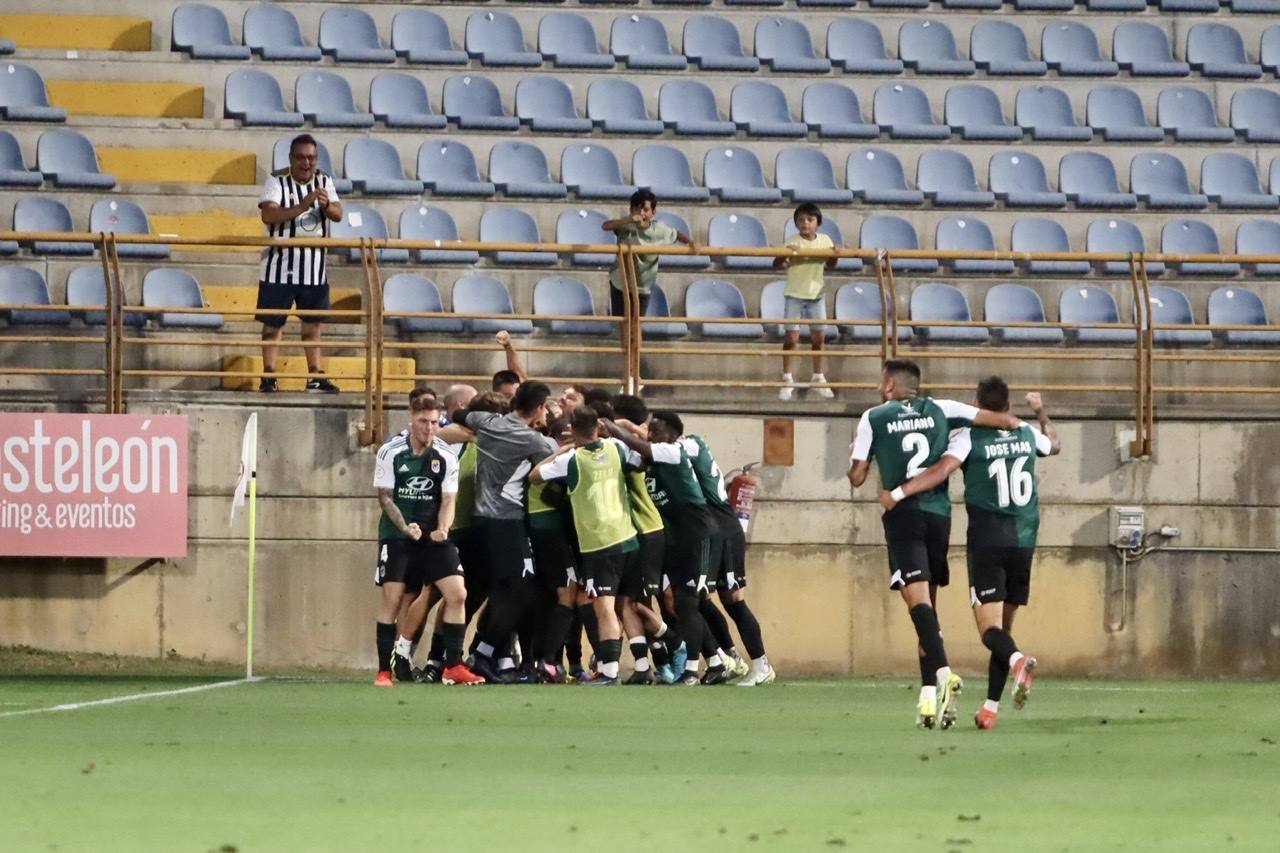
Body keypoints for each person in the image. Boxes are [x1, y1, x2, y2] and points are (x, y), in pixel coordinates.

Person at [847, 359, 1019, 729]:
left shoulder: (873, 417)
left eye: (882, 382)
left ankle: (942, 676)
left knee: (919, 605)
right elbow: (1001, 421)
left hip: (903, 514)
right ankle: (928, 699)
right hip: (939, 515)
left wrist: (861, 455)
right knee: (929, 612)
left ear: (891, 385)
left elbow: (857, 477)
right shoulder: (944, 409)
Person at [880, 380, 1060, 730]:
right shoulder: (1025, 431)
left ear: (977, 404)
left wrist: (899, 492)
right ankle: (990, 708)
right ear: (1008, 405)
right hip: (1025, 539)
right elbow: (1054, 444)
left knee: (990, 629)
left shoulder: (967, 437)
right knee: (1004, 629)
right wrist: (1039, 410)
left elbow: (941, 471)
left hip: (988, 539)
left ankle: (1019, 661)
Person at [438, 382, 554, 683]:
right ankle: (484, 654)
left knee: (501, 589)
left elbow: (461, 415)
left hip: (481, 521)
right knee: (522, 588)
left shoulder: (487, 422)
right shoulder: (533, 441)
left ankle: (485, 655)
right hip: (507, 521)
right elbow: (544, 473)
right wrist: (565, 448)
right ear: (540, 407)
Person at [605, 411, 726, 686]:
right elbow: (634, 459)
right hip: (679, 539)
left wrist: (612, 425)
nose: (650, 436)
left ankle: (693, 670)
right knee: (683, 604)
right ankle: (716, 662)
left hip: (700, 535)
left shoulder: (672, 452)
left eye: (656, 431)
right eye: (650, 432)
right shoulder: (653, 459)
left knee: (690, 602)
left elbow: (641, 447)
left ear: (672, 435)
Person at [372, 395, 483, 687]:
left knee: (457, 593)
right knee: (393, 598)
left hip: (433, 534)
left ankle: (453, 666)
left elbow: (449, 499)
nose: (429, 428)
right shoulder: (391, 451)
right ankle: (385, 670)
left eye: (434, 422)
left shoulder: (446, 454)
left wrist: (444, 528)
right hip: (397, 534)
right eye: (423, 422)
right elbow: (385, 497)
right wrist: (404, 526)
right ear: (411, 418)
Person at [530, 407, 641, 686]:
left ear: (574, 431)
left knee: (603, 607)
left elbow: (535, 475)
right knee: (619, 606)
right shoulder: (616, 447)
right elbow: (641, 461)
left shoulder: (572, 459)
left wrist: (561, 449)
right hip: (627, 536)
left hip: (599, 543)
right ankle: (631, 665)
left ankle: (609, 672)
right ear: (598, 427)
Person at [684, 431, 775, 687]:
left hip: (723, 529)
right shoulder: (686, 449)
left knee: (734, 600)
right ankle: (731, 658)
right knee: (700, 597)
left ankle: (761, 665)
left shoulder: (688, 446)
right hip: (711, 530)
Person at [255, 133, 343, 394]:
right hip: (279, 266)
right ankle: (268, 375)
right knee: (273, 324)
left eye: (312, 158)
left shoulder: (324, 180)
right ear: (291, 158)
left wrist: (327, 207)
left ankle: (314, 375)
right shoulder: (277, 180)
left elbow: (338, 214)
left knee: (313, 324)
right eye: (302, 157)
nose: (307, 163)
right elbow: (268, 215)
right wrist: (302, 206)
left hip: (314, 267)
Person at [773, 203, 837, 402]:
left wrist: (835, 254)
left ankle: (818, 377)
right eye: (800, 220)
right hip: (794, 294)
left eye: (809, 220)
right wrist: (785, 254)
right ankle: (787, 379)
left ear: (817, 223)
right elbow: (776, 265)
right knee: (791, 338)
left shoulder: (825, 240)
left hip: (817, 295)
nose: (805, 224)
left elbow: (832, 264)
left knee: (818, 339)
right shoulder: (791, 241)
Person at [602, 189, 698, 318]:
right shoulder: (626, 226)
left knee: (636, 325)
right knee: (623, 323)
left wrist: (690, 243)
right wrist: (627, 220)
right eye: (636, 209)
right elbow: (606, 226)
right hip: (621, 283)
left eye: (645, 210)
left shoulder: (659, 229)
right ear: (631, 210)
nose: (641, 213)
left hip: (643, 285)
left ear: (653, 212)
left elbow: (675, 234)